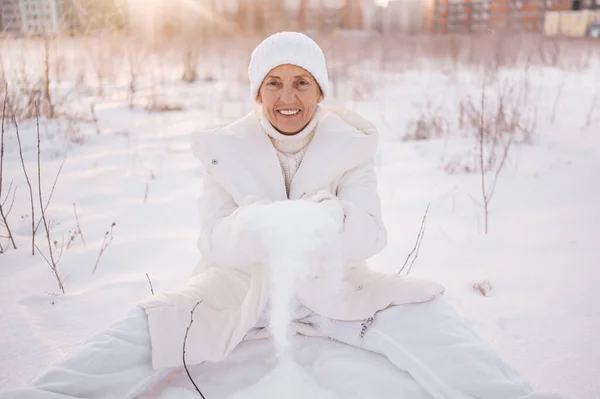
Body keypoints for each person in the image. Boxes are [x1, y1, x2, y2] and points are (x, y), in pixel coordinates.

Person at [2, 32, 567, 399]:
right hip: (240, 291)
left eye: (301, 82)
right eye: (273, 82)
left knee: (433, 321)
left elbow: (371, 232)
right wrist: (256, 228)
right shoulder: (225, 148)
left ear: (320, 90)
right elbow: (214, 238)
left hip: (335, 290)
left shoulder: (352, 145)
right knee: (138, 331)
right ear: (257, 92)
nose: (286, 96)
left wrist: (325, 220)